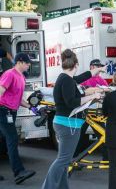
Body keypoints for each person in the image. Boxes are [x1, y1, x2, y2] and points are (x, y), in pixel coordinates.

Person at [42, 49, 102, 189]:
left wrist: (98, 69)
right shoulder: (67, 80)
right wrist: (92, 96)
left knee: (65, 160)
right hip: (68, 125)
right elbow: (72, 102)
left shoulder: (65, 78)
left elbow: (81, 78)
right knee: (63, 160)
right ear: (76, 65)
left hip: (65, 123)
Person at [0, 53, 37, 184]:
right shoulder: (9, 74)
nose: (29, 65)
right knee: (12, 138)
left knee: (3, 142)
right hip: (3, 111)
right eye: (27, 63)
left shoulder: (21, 77)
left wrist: (31, 107)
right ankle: (19, 171)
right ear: (20, 62)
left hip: (11, 112)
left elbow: (18, 98)